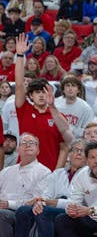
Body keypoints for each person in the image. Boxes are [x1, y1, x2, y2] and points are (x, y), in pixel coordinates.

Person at [0, 139, 87, 237]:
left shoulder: (88, 174)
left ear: (88, 156)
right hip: (51, 206)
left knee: (43, 212)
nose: (78, 153)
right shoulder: (58, 173)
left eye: (82, 151)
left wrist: (46, 203)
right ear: (69, 155)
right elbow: (46, 194)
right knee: (24, 211)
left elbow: (76, 202)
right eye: (75, 150)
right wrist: (40, 202)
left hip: (75, 211)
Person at [14, 33, 73, 171]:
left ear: (50, 93)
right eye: (37, 92)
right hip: (25, 170)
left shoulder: (57, 116)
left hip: (49, 172)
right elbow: (19, 84)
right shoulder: (24, 109)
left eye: (44, 91)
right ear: (30, 95)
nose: (41, 95)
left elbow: (64, 147)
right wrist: (20, 55)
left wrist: (56, 173)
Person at [0, 132, 52, 237]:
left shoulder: (44, 172)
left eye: (32, 143)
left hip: (24, 213)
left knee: (2, 215)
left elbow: (36, 201)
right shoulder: (6, 172)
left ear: (38, 150)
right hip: (4, 208)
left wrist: (9, 204)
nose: (27, 145)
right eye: (24, 143)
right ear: (18, 149)